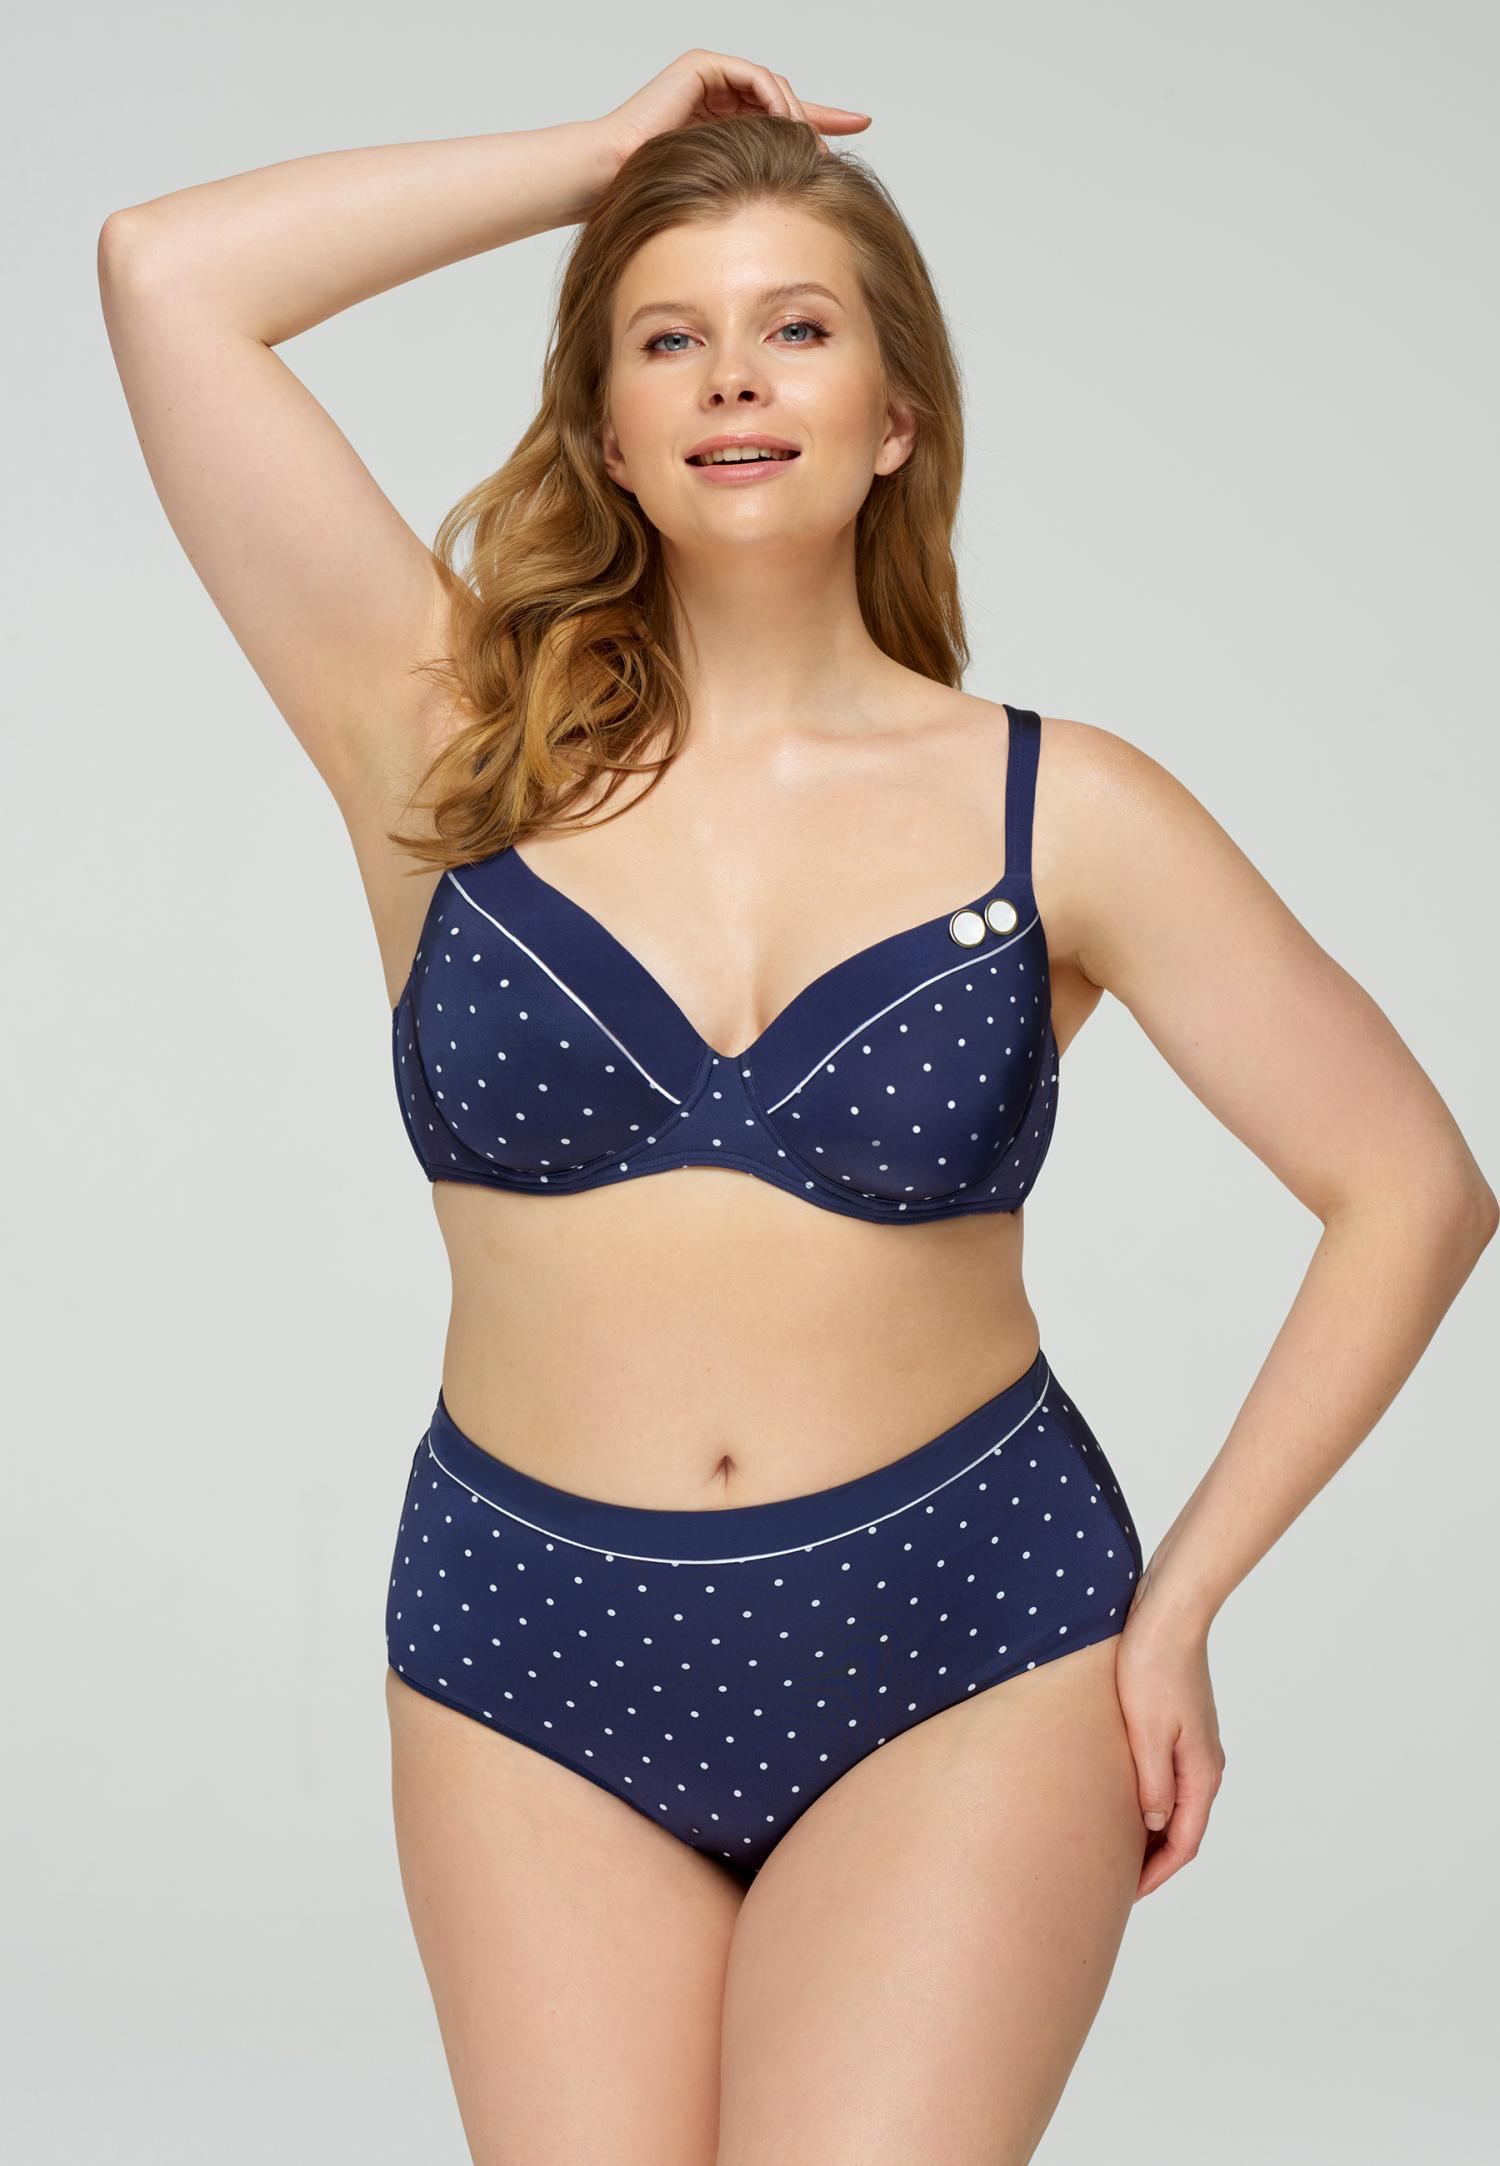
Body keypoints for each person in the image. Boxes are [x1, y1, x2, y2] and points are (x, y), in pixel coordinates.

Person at [97, 47, 1497, 2166]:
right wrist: (599, 161)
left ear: (896, 411)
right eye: (669, 336)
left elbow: (1411, 1184)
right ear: (607, 426)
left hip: (967, 1638)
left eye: (798, 326)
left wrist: (1185, 1603)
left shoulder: (1067, 808)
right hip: (526, 1657)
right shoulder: (445, 741)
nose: (736, 375)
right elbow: (165, 274)